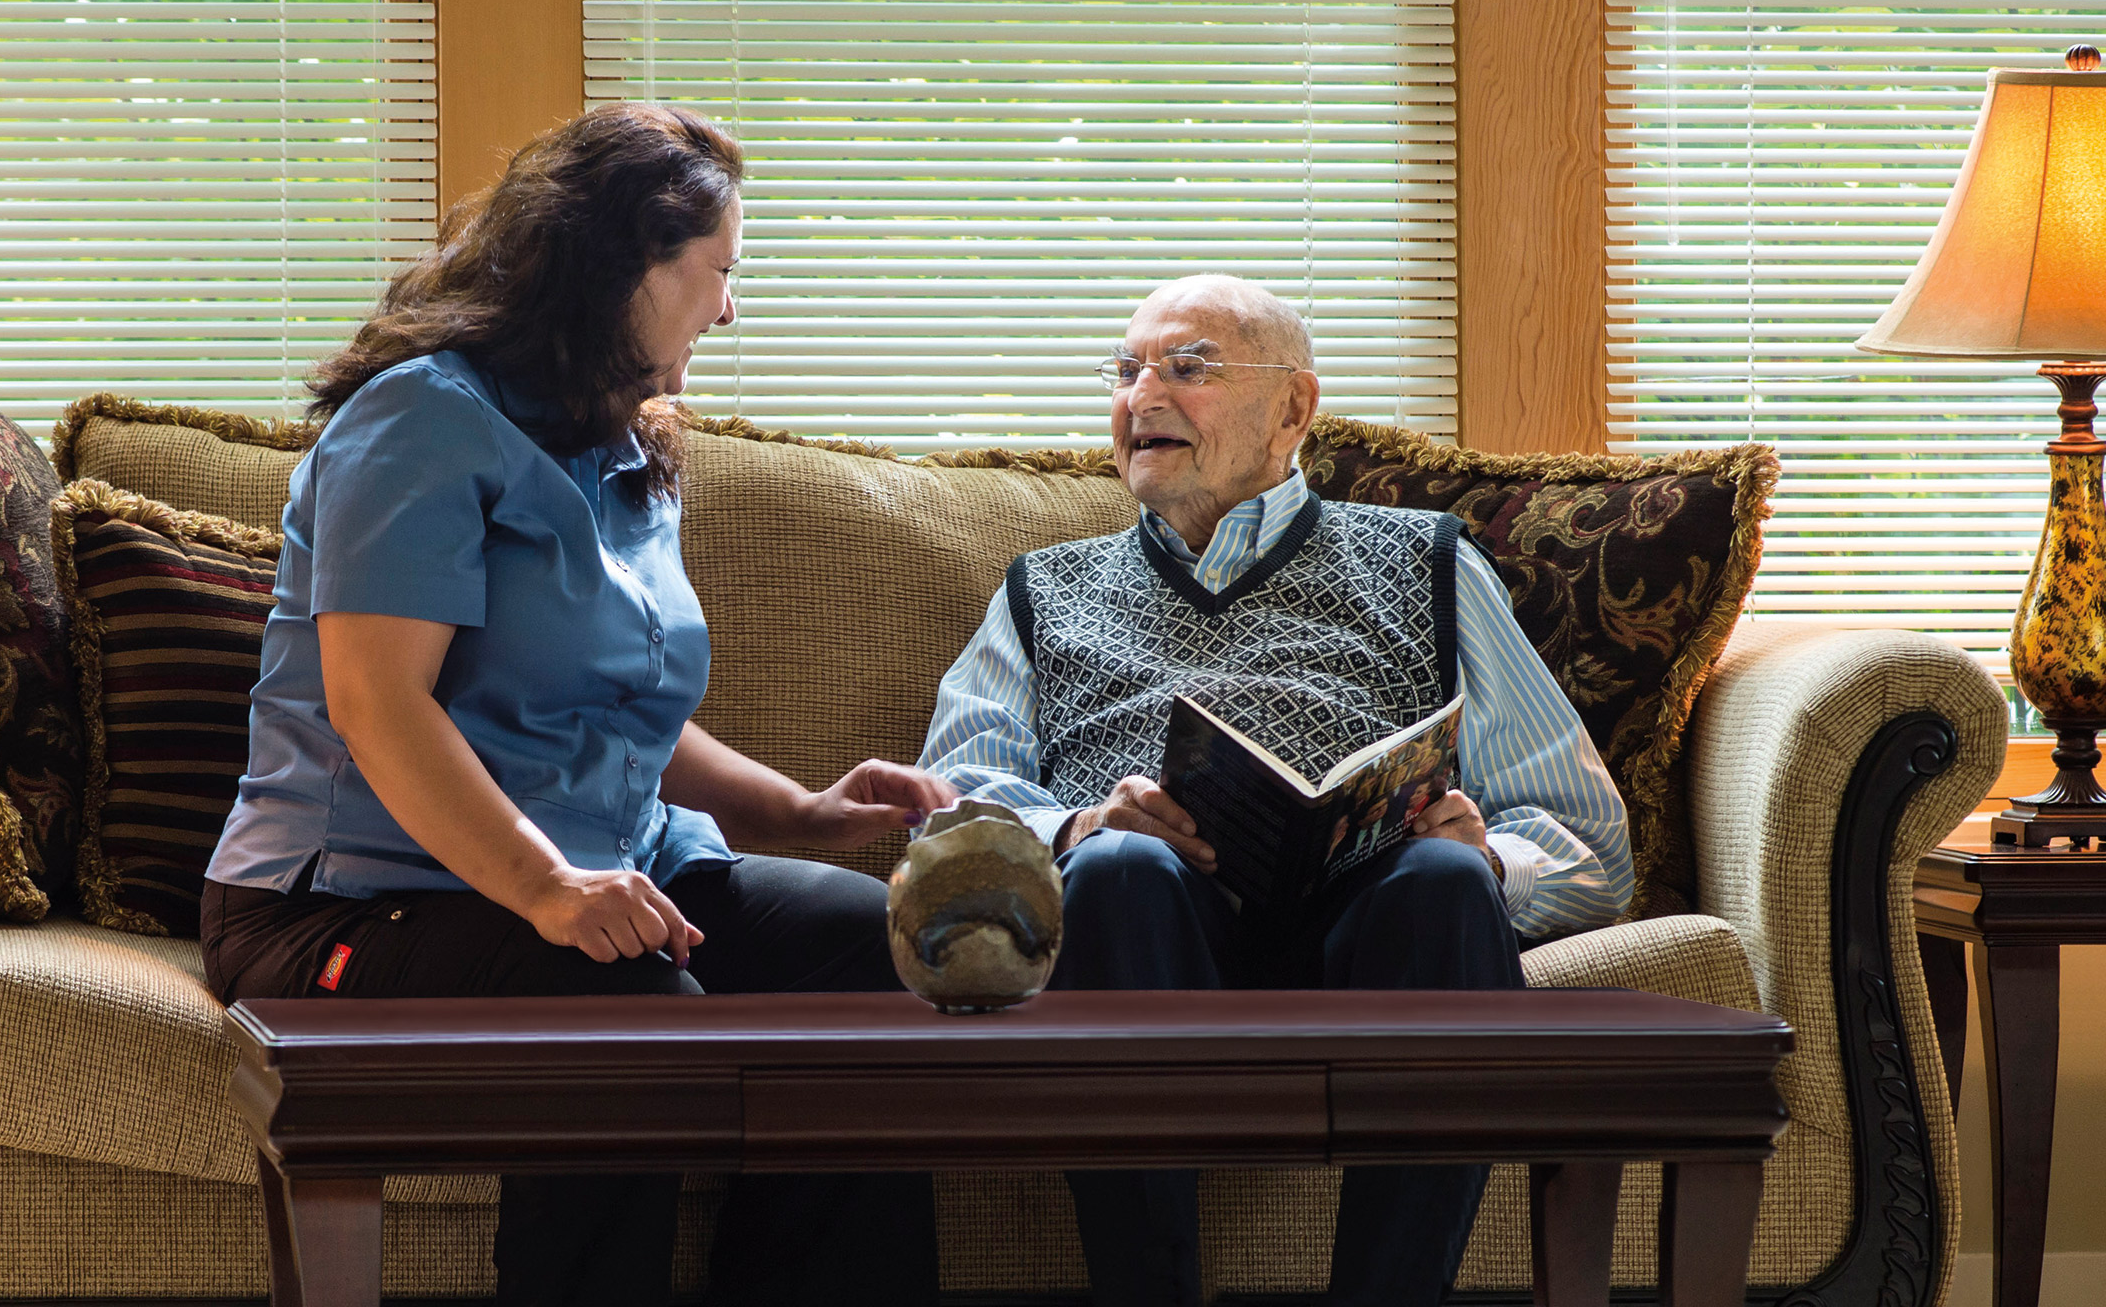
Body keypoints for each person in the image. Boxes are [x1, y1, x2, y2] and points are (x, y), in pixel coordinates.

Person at [202, 103, 953, 1307]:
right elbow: (377, 705)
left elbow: (620, 708)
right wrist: (549, 890)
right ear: (621, 268)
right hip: (351, 903)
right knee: (631, 1008)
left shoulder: (623, 441)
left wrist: (802, 812)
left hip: (612, 861)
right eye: (718, 272)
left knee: (864, 954)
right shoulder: (421, 423)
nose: (730, 308)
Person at [917, 274, 1632, 1307]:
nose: (1142, 395)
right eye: (1126, 371)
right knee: (1119, 863)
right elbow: (954, 830)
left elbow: (1584, 840)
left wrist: (1489, 854)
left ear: (1294, 407)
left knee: (1441, 878)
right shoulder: (1044, 589)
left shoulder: (1424, 562)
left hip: (1370, 929)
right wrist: (1074, 825)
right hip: (1148, 935)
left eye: (1188, 368)